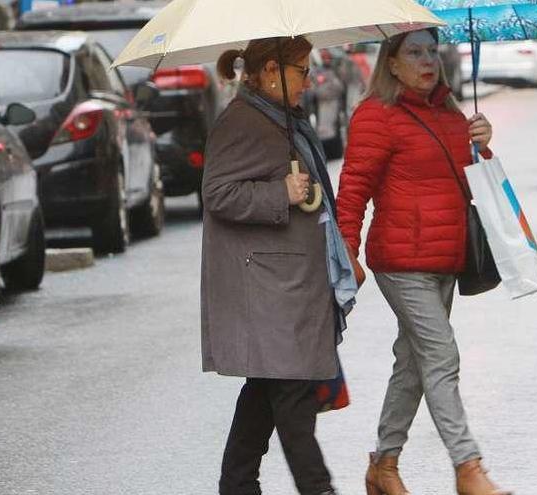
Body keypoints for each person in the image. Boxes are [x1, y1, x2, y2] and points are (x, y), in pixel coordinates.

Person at [336, 28, 510, 495]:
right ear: (391, 62)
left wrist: (483, 143)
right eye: (414, 52)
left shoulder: (453, 116)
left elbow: (476, 184)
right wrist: (345, 252)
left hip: (446, 258)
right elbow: (353, 189)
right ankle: (468, 467)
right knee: (440, 353)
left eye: (432, 51)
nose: (427, 60)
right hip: (401, 260)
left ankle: (383, 466)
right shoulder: (376, 116)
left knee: (412, 364)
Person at [201, 35, 360, 495]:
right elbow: (217, 193)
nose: (309, 80)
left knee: (267, 393)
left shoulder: (280, 118)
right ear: (271, 70)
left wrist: (340, 250)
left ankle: (237, 485)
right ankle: (318, 489)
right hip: (270, 287)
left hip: (288, 282)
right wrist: (280, 194)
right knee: (292, 394)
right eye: (302, 71)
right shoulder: (243, 121)